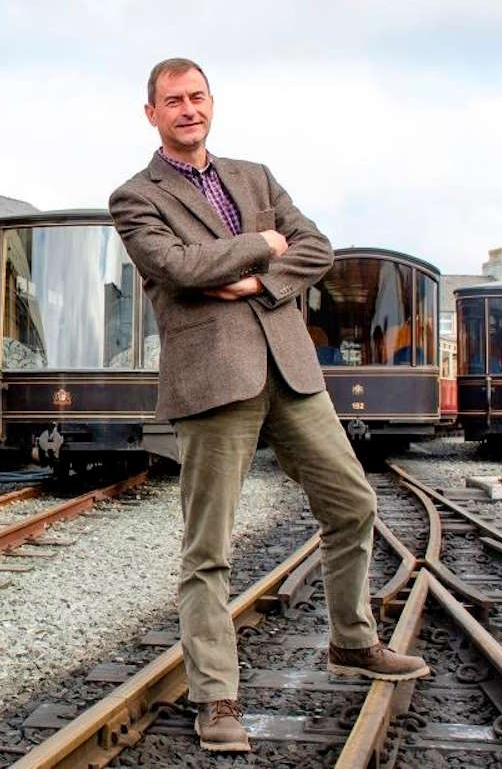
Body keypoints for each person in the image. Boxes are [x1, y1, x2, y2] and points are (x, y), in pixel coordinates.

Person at [108, 58, 429, 754]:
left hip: (291, 370)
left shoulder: (255, 175)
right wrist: (260, 244)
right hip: (213, 382)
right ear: (152, 114)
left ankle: (352, 640)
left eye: (196, 97)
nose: (187, 109)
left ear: (211, 103)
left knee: (352, 505)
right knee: (209, 547)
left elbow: (315, 246)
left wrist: (252, 281)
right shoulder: (134, 197)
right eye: (173, 101)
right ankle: (216, 698)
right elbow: (179, 269)